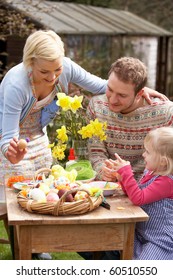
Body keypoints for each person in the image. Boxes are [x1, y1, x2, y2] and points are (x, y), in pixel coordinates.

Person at [0, 30, 167, 260]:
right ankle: (23, 254)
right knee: (16, 200)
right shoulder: (16, 85)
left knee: (42, 192)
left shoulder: (66, 67)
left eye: (57, 70)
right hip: (10, 139)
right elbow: (7, 135)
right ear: (30, 62)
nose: (52, 78)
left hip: (37, 138)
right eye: (44, 72)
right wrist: (13, 153)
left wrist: (140, 91)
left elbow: (102, 86)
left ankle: (39, 248)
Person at [87, 56, 173, 182]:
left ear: (139, 94)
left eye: (122, 95)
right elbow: (96, 153)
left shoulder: (166, 113)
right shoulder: (96, 106)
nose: (112, 100)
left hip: (151, 192)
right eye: (110, 89)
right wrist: (103, 172)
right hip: (109, 189)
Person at [104, 127, 173, 260]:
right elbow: (134, 193)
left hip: (160, 239)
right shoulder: (151, 172)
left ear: (163, 161)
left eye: (148, 152)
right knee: (112, 238)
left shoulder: (167, 182)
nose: (143, 155)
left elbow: (138, 198)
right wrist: (121, 177)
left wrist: (127, 172)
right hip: (142, 232)